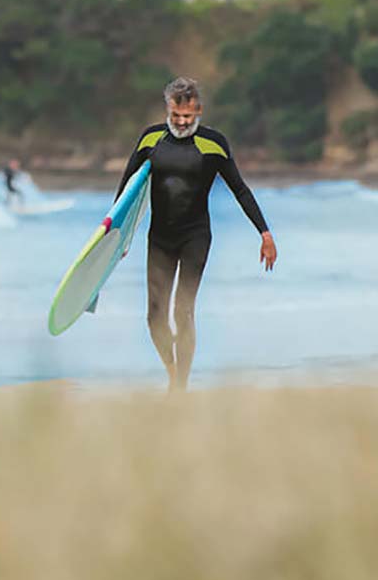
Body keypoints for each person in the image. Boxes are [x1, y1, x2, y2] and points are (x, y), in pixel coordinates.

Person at [115, 76, 276, 391]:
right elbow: (127, 187)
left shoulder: (213, 143)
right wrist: (117, 236)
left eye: (187, 116)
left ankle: (180, 387)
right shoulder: (151, 139)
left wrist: (265, 233)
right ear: (168, 109)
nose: (181, 122)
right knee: (154, 315)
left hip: (195, 236)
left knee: (183, 309)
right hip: (159, 238)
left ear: (198, 110)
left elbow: (240, 190)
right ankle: (172, 371)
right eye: (175, 115)